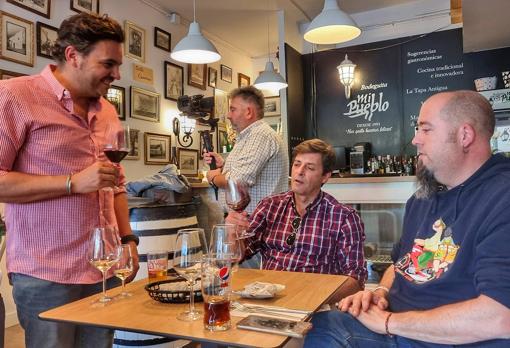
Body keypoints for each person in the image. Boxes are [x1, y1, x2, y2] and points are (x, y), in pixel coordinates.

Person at [304, 90, 510, 347]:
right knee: (314, 325)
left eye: (426, 129)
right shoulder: (423, 198)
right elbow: (401, 264)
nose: (415, 140)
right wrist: (379, 293)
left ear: (464, 136)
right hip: (398, 328)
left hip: (445, 340)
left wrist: (389, 321)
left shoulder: (502, 196)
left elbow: (501, 316)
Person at [0, 13, 140, 348]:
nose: (116, 75)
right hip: (46, 271)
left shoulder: (107, 110)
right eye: (108, 63)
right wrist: (72, 183)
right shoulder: (14, 97)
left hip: (103, 267)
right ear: (72, 55)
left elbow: (115, 182)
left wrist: (128, 240)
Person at [226, 139, 366, 298]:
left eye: (310, 167)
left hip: (315, 302)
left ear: (325, 177)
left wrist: (314, 298)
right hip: (267, 299)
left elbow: (356, 279)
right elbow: (238, 255)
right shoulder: (270, 206)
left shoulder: (344, 217)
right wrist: (232, 233)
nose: (299, 172)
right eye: (297, 164)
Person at [204, 86, 289, 214]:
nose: (228, 115)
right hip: (248, 220)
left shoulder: (260, 135)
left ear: (249, 112)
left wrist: (213, 177)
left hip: (256, 222)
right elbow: (242, 172)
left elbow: (237, 181)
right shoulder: (249, 136)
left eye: (233, 110)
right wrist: (223, 166)